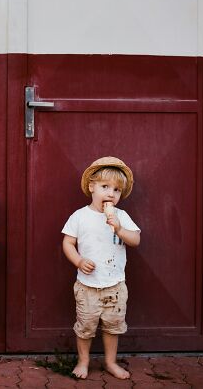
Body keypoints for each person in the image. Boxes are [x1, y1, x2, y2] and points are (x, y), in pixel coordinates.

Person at [61, 156, 141, 380]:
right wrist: (78, 261)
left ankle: (110, 361)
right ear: (91, 187)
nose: (111, 194)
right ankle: (83, 360)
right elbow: (67, 243)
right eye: (105, 187)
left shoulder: (121, 216)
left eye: (116, 190)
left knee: (112, 327)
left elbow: (135, 240)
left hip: (115, 285)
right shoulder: (80, 216)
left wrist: (120, 229)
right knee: (85, 327)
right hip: (88, 286)